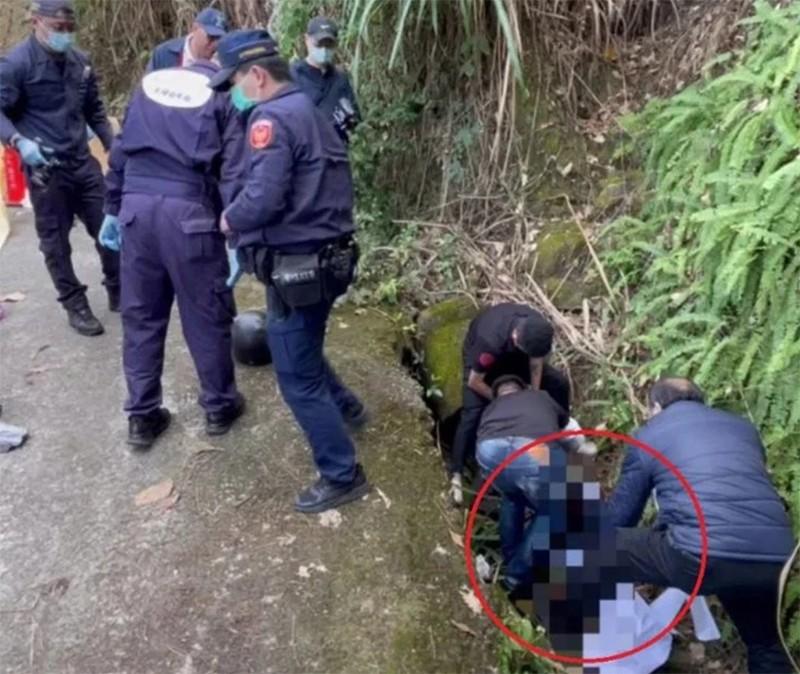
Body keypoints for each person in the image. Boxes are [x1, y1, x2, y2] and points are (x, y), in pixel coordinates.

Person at [209, 30, 369, 514]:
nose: (233, 92)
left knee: (297, 378)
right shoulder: (308, 109)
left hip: (299, 268)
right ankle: (348, 408)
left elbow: (263, 196)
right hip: (326, 260)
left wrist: (229, 219)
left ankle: (342, 474)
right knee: (304, 348)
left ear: (257, 75)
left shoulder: (271, 119)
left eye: (235, 81)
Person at [99, 57, 246, 449]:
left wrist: (112, 207)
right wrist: (236, 235)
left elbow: (120, 152)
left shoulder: (148, 86)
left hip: (136, 212)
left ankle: (142, 416)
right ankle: (219, 406)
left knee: (141, 317)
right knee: (205, 314)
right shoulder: (220, 96)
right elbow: (234, 171)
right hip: (189, 214)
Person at [607, 377, 796, 674]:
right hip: (775, 556)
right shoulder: (743, 428)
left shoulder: (650, 435)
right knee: (764, 644)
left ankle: (613, 655)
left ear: (655, 407)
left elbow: (620, 519)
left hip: (701, 554)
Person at [0, 0, 119, 336]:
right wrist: (19, 141)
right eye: (57, 28)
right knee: (56, 243)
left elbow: (94, 110)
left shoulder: (80, 62)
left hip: (82, 161)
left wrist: (113, 146)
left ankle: (118, 286)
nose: (65, 34)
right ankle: (74, 304)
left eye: (69, 29)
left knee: (109, 227)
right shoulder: (16, 64)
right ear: (36, 23)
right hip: (46, 169)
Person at [450, 302, 571, 502]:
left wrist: (534, 396)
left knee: (559, 383)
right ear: (515, 337)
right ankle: (456, 472)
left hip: (516, 355)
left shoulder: (537, 329)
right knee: (472, 413)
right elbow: (475, 382)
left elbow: (535, 365)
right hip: (482, 368)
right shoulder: (488, 343)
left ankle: (562, 429)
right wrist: (504, 402)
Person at [475, 375, 571, 588]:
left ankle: (510, 558)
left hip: (490, 451)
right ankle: (516, 576)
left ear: (498, 396)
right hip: (531, 449)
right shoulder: (540, 396)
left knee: (512, 497)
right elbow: (563, 423)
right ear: (523, 388)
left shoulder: (491, 409)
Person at [290, 17, 361, 144]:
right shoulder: (293, 76)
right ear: (307, 40)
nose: (324, 49)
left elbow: (355, 119)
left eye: (329, 45)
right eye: (319, 44)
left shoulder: (340, 79)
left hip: (337, 150)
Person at [146, 7, 228, 72]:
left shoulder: (224, 61)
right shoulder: (164, 54)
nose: (215, 44)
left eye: (219, 39)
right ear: (194, 29)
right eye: (211, 37)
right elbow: (146, 84)